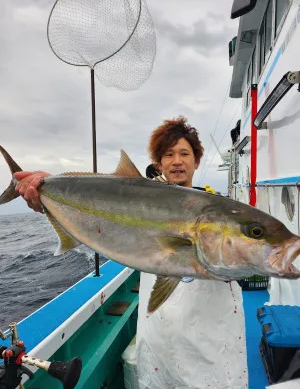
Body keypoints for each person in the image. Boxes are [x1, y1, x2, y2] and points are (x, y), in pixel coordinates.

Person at [14, 116, 248, 389]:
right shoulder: (136, 203)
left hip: (210, 344)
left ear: (196, 161)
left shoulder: (223, 210)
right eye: (168, 155)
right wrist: (46, 191)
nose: (177, 161)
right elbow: (100, 212)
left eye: (185, 153)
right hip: (159, 336)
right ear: (159, 164)